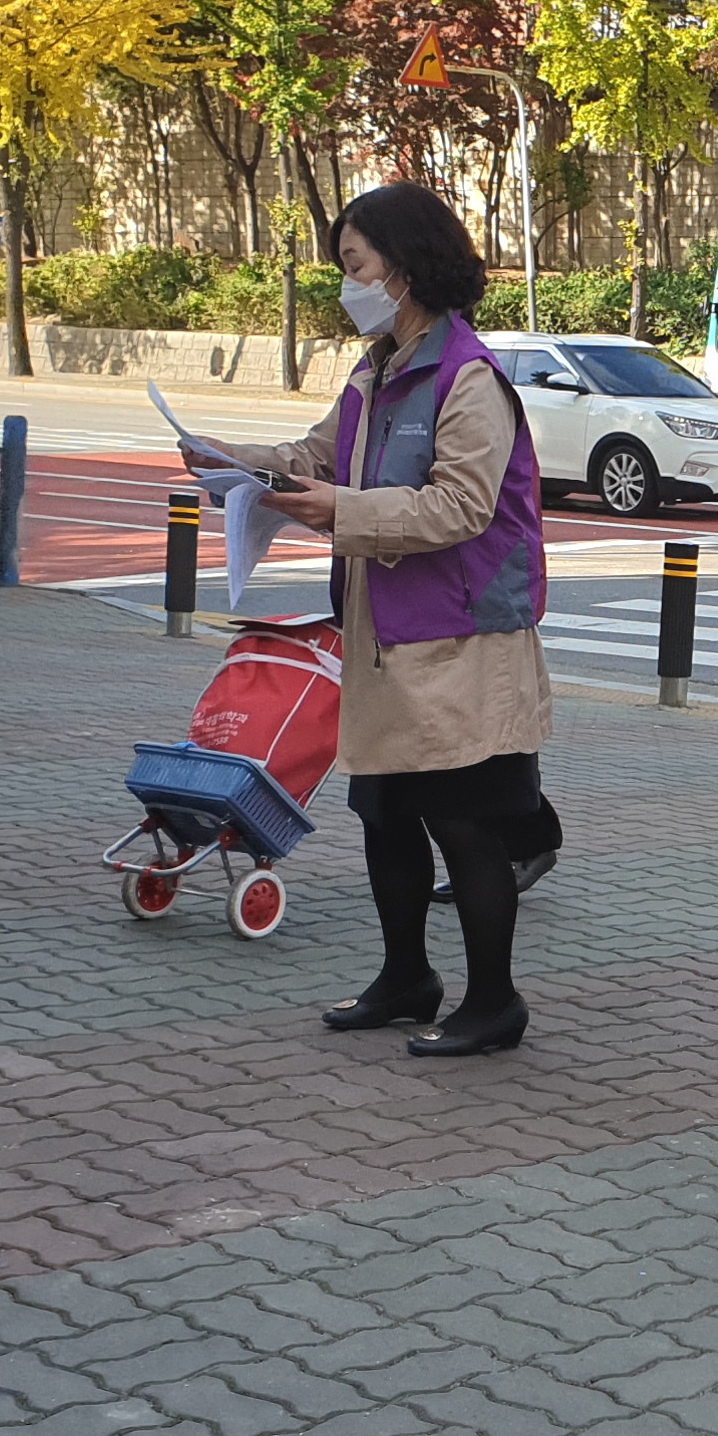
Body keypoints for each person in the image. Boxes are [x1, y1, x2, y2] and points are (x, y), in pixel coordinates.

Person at [223, 181, 553, 1060]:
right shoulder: (377, 371)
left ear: (404, 269)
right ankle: (406, 976)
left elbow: (460, 508)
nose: (348, 283)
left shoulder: (467, 378)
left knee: (464, 823)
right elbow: (319, 455)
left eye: (356, 265)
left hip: (462, 642)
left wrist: (343, 512)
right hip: (383, 636)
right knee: (384, 811)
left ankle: (494, 1003)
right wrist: (237, 460)